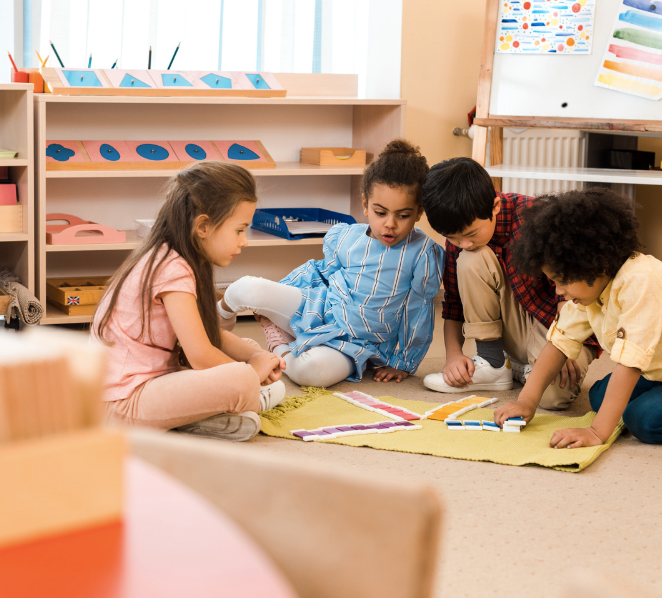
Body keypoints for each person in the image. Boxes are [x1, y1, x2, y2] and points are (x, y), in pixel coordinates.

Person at [218, 139, 444, 388]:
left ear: (419, 212)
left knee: (311, 372)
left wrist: (404, 363)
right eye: (381, 213)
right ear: (365, 204)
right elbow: (318, 272)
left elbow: (418, 312)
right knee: (245, 288)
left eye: (403, 215)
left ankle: (277, 347)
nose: (390, 223)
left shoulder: (423, 252)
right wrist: (278, 294)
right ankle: (212, 327)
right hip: (319, 308)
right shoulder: (346, 237)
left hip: (358, 344)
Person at [92, 161, 286, 442]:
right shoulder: (172, 268)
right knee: (242, 379)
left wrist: (254, 357)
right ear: (204, 226)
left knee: (249, 351)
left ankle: (199, 419)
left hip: (147, 387)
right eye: (239, 230)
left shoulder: (172, 257)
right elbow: (200, 355)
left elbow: (206, 336)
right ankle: (248, 400)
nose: (245, 241)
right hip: (123, 404)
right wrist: (252, 372)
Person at [420, 158, 598, 408]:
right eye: (452, 238)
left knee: (552, 397)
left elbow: (568, 294)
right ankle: (493, 364)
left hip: (559, 323)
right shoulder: (461, 241)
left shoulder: (536, 217)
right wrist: (453, 356)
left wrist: (564, 343)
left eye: (470, 234)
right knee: (469, 260)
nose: (463, 244)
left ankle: (519, 368)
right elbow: (453, 304)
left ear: (495, 206)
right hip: (514, 324)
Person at [494, 188, 662, 447]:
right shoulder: (591, 289)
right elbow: (558, 343)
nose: (558, 291)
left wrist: (596, 432)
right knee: (598, 396)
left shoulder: (640, 281)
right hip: (655, 371)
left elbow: (629, 365)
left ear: (596, 264)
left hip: (647, 370)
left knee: (644, 420)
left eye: (562, 281)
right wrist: (526, 401)